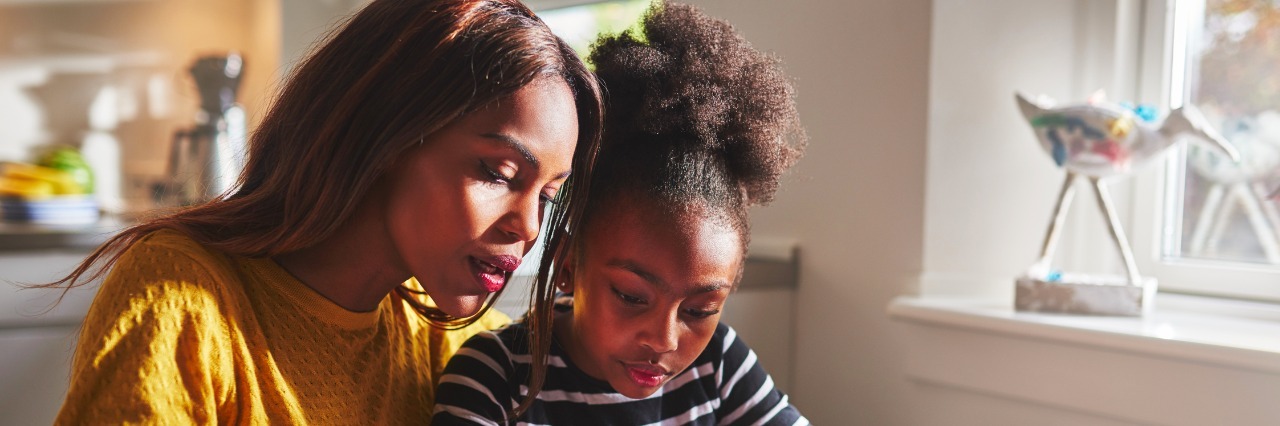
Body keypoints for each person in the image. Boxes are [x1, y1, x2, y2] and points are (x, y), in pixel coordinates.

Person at [47, 0, 602, 423]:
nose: (528, 226)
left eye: (549, 196)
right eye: (499, 174)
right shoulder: (186, 296)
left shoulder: (453, 351)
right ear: (389, 135)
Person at [431, 2, 809, 424]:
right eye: (631, 296)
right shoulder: (496, 374)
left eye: (699, 310)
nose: (663, 340)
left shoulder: (718, 363)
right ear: (568, 264)